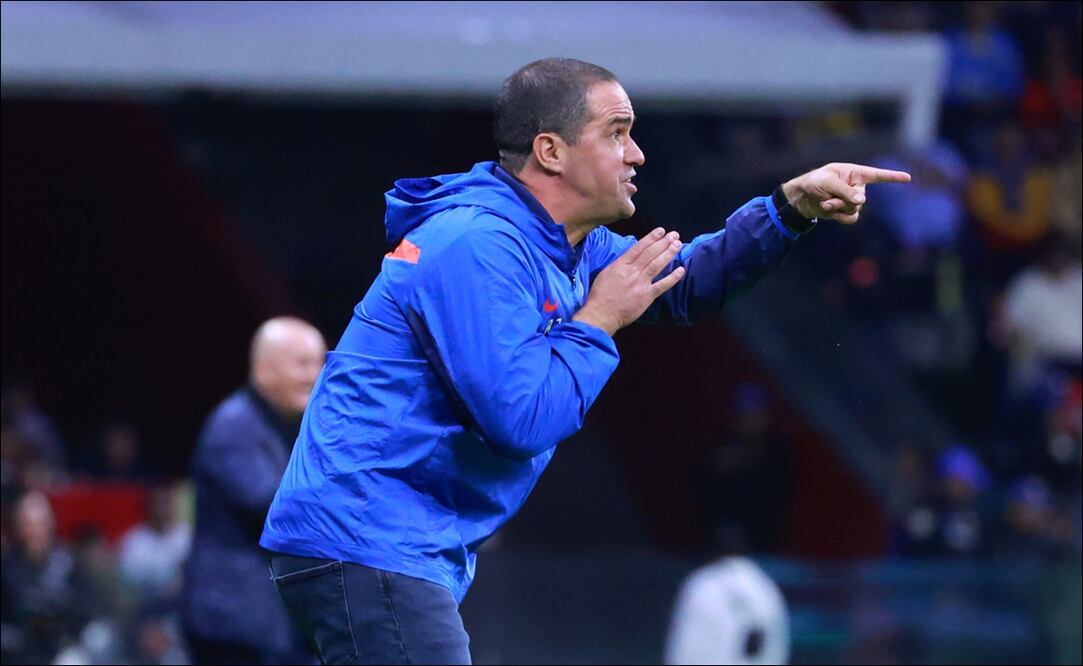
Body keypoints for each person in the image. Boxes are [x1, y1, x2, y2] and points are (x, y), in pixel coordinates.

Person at [260, 58, 910, 665]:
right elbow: (520, 419)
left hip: (392, 543)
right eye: (616, 132)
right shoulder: (475, 245)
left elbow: (681, 282)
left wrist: (788, 207)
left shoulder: (566, 245)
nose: (637, 154)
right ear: (550, 150)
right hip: (364, 534)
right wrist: (597, 317)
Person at [182, 317, 326, 665]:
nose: (315, 375)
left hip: (270, 623)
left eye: (321, 363)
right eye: (303, 363)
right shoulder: (234, 427)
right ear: (263, 371)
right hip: (233, 623)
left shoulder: (291, 428)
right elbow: (272, 508)